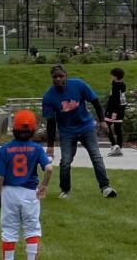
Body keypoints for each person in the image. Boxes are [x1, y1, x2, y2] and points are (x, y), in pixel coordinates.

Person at [42, 65, 117, 199]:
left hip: (86, 127)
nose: (58, 79)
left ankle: (105, 187)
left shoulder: (78, 85)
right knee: (65, 161)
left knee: (96, 156)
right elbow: (51, 123)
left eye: (61, 76)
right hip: (67, 132)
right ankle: (65, 190)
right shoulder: (48, 97)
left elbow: (95, 101)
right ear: (51, 79)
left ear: (66, 75)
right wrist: (50, 146)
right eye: (55, 77)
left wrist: (102, 121)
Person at [0, 110, 53, 260]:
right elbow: (49, 168)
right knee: (32, 227)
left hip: (9, 192)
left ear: (13, 129)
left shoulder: (5, 149)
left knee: (9, 228)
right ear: (33, 130)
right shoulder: (37, 148)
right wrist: (44, 186)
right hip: (30, 192)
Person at [105, 68, 127, 157]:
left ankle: (114, 145)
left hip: (114, 109)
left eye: (112, 75)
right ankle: (119, 147)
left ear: (115, 76)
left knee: (106, 126)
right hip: (121, 108)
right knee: (118, 128)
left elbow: (115, 99)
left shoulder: (116, 86)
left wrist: (112, 111)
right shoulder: (122, 84)